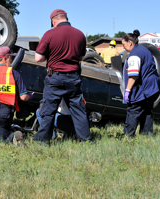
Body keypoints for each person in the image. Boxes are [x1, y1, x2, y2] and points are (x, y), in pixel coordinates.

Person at [34, 9, 91, 144]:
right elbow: (81, 56)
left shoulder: (49, 34)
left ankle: (43, 141)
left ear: (54, 21)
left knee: (49, 109)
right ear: (66, 18)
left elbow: (38, 58)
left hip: (55, 77)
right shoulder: (80, 34)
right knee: (78, 110)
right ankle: (85, 140)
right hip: (73, 78)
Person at [122, 30, 160, 137]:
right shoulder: (144, 50)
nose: (123, 47)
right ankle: (147, 135)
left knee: (133, 110)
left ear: (130, 42)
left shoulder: (134, 55)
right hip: (153, 87)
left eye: (124, 44)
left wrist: (127, 91)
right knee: (147, 111)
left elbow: (133, 76)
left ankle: (128, 137)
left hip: (143, 88)